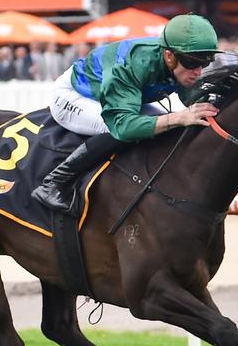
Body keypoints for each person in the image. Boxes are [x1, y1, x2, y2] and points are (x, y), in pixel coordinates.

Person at [31, 13, 221, 214]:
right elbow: (123, 126)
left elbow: (198, 103)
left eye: (205, 63)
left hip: (118, 95)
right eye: (192, 63)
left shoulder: (179, 59)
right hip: (74, 95)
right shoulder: (133, 65)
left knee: (171, 125)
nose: (198, 72)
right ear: (168, 56)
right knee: (119, 128)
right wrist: (178, 117)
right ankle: (54, 182)